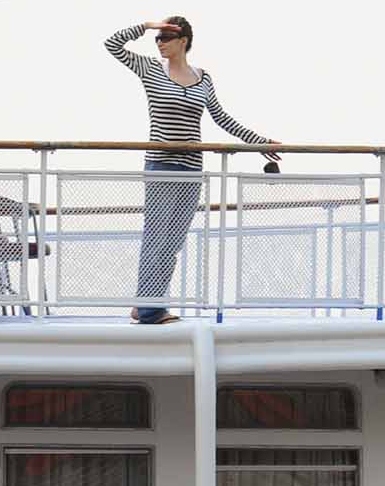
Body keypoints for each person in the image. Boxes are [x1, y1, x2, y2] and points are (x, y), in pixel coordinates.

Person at [104, 17, 277, 324]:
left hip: (191, 169)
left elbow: (221, 118)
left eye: (166, 37)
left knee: (172, 242)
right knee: (156, 237)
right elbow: (112, 44)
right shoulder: (150, 69)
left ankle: (144, 303)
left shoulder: (203, 77)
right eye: (157, 38)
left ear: (183, 41)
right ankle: (151, 310)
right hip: (161, 165)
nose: (159, 42)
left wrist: (258, 142)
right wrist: (147, 25)